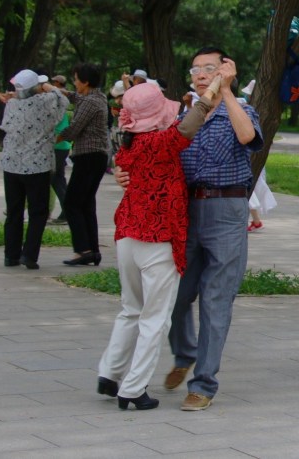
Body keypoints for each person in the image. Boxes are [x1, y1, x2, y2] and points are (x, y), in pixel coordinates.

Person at [97, 77, 221, 411]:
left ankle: (109, 373)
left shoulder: (129, 143)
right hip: (158, 238)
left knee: (131, 309)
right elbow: (191, 123)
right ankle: (133, 389)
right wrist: (214, 89)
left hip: (128, 235)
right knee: (155, 318)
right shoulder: (162, 142)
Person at [157, 48, 262, 412]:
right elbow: (160, 154)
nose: (201, 74)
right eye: (196, 69)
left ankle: (203, 384)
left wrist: (228, 92)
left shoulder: (241, 110)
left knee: (216, 300)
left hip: (226, 209)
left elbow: (248, 138)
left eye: (210, 69)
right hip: (186, 210)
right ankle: (185, 352)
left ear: (226, 71)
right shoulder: (182, 116)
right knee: (176, 294)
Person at [0, 70, 69, 268]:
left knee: (14, 211)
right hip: (37, 165)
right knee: (38, 212)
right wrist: (48, 86)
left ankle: (10, 255)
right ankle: (29, 255)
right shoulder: (45, 102)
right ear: (36, 86)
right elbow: (63, 100)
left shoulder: (11, 104)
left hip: (11, 164)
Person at [60, 63, 111, 266]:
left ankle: (83, 249)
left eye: (76, 79)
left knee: (72, 203)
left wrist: (51, 138)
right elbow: (76, 96)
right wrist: (55, 90)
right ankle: (93, 250)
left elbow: (73, 129)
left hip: (88, 156)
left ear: (86, 81)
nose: (74, 83)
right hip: (97, 157)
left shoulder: (90, 102)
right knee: (86, 204)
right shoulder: (99, 97)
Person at [239, 81, 276, 232]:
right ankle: (254, 219)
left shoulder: (251, 111)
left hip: (251, 154)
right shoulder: (247, 108)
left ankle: (254, 219)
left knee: (250, 185)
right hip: (253, 153)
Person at [48, 75, 72, 224]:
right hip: (61, 145)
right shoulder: (61, 99)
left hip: (57, 144)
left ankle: (67, 212)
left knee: (56, 180)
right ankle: (67, 211)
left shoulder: (57, 99)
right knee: (59, 179)